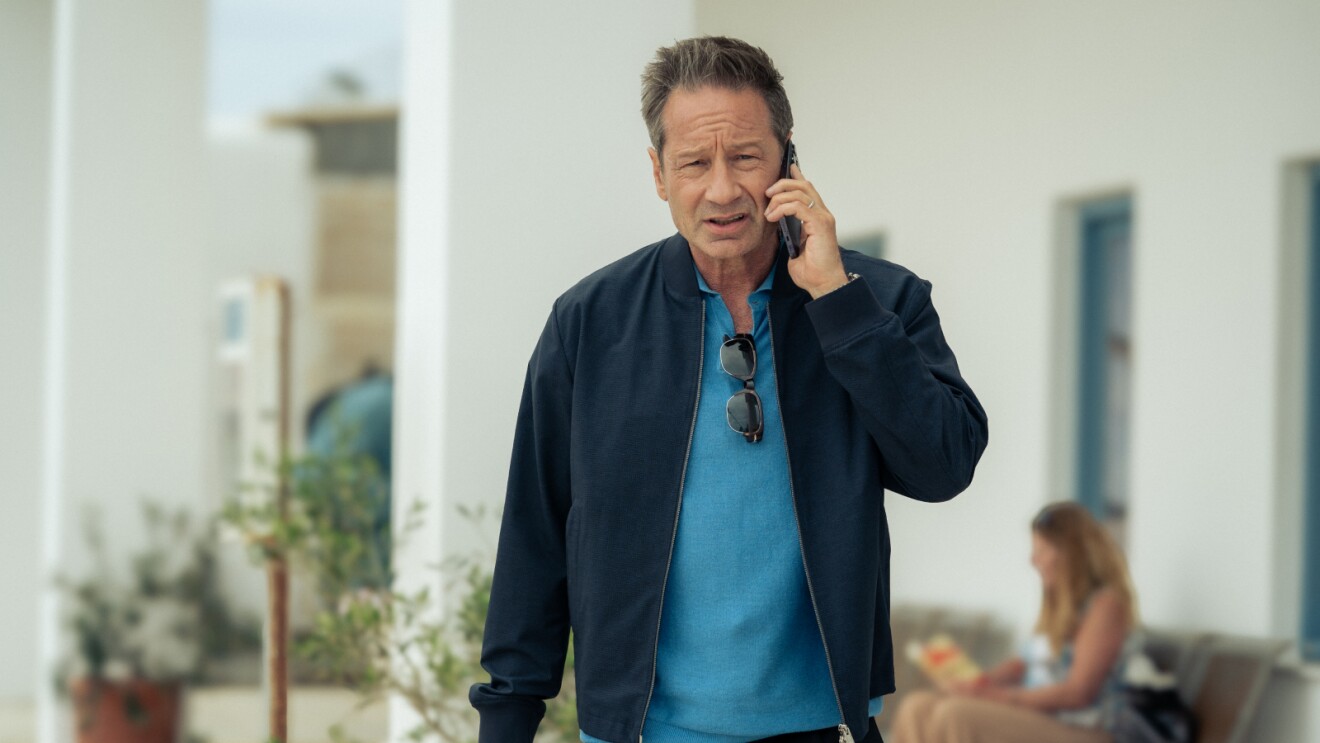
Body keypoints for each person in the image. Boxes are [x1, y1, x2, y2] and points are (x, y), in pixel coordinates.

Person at [469, 36, 989, 743]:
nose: (721, 190)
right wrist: (505, 723)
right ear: (658, 173)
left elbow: (943, 466)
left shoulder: (877, 301)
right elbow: (534, 535)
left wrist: (839, 304)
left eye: (745, 157)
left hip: (820, 729)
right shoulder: (589, 322)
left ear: (788, 160)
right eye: (693, 162)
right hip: (639, 733)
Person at [890, 501, 1139, 743]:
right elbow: (1024, 663)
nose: (1033, 560)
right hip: (1043, 717)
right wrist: (976, 683)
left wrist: (995, 696)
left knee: (955, 715)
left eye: (1041, 550)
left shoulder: (1105, 605)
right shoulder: (1059, 606)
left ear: (1070, 554)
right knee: (917, 707)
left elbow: (1078, 693)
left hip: (1085, 728)